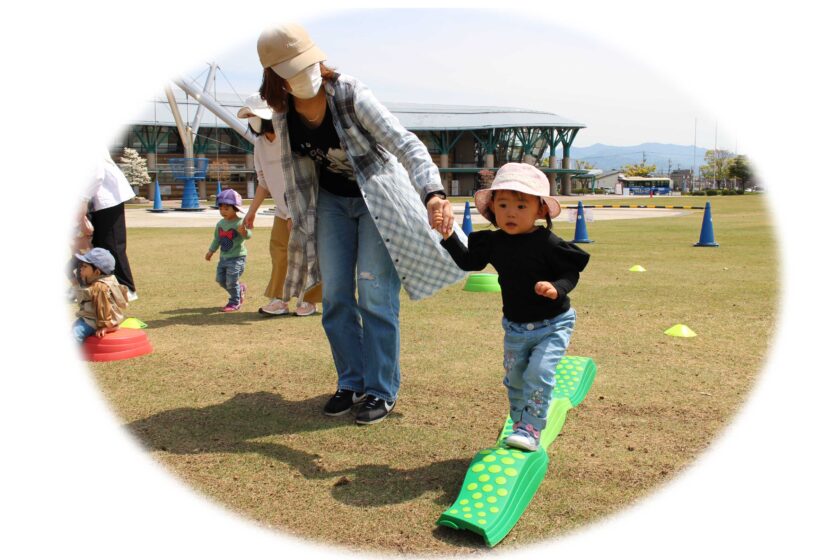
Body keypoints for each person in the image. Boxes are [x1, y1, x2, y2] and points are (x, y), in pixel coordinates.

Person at [256, 23, 465, 424]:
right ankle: (351, 381)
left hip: (377, 200)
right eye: (292, 70)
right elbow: (295, 172)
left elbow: (404, 142)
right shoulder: (283, 114)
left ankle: (381, 389)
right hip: (330, 203)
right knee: (335, 295)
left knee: (374, 293)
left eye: (308, 63)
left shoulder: (350, 94)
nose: (305, 74)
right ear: (276, 77)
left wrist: (434, 192)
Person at [440, 163, 590, 451]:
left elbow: (570, 273)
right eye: (503, 205)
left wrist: (556, 288)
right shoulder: (493, 242)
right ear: (492, 208)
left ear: (540, 210)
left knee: (538, 373)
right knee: (516, 378)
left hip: (553, 324)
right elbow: (470, 262)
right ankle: (520, 420)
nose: (511, 213)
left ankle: (531, 428)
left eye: (521, 206)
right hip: (515, 328)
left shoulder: (548, 243)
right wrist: (449, 237)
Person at [238, 93, 322, 317]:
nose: (251, 121)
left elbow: (304, 176)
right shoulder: (259, 145)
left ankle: (309, 301)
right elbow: (263, 182)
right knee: (279, 253)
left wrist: (295, 213)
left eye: (253, 116)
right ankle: (279, 299)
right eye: (248, 117)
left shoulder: (291, 138)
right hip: (281, 210)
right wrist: (251, 212)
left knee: (308, 254)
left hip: (305, 206)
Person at [79, 150, 138, 300]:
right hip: (92, 198)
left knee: (112, 245)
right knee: (94, 245)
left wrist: (83, 199)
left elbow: (96, 172)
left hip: (108, 196)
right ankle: (90, 286)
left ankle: (126, 289)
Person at [205, 189, 252, 312]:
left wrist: (245, 232)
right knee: (221, 280)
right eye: (220, 208)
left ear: (235, 208)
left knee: (231, 281)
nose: (223, 211)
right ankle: (240, 289)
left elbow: (248, 235)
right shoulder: (220, 224)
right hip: (224, 258)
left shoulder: (240, 222)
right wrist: (211, 251)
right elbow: (217, 239)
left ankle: (234, 302)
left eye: (226, 209)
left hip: (237, 258)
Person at [72, 247, 129, 343]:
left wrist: (105, 326)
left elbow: (103, 308)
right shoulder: (100, 280)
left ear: (97, 272)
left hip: (95, 321)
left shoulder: (99, 287)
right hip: (92, 317)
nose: (81, 268)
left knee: (74, 334)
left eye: (85, 266)